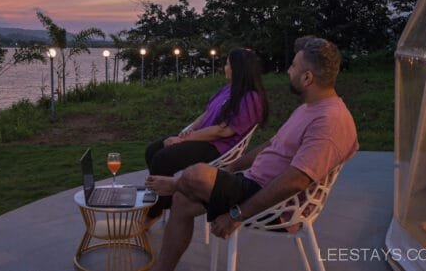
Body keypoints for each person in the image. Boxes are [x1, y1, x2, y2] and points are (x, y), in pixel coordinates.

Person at [146, 37, 358, 271]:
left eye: (294, 66)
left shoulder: (330, 121)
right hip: (251, 183)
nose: (288, 70)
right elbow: (271, 145)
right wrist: (232, 167)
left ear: (307, 78)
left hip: (276, 205)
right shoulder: (308, 109)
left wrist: (237, 215)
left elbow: (296, 181)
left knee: (196, 174)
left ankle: (175, 184)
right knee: (182, 201)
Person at [144, 48, 269, 229]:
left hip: (219, 147)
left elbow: (223, 132)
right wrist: (185, 133)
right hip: (202, 138)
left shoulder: (251, 98)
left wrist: (185, 140)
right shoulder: (228, 89)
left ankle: (154, 212)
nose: (225, 67)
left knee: (163, 158)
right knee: (153, 149)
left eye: (227, 64)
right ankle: (165, 201)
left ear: (238, 68)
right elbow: (205, 115)